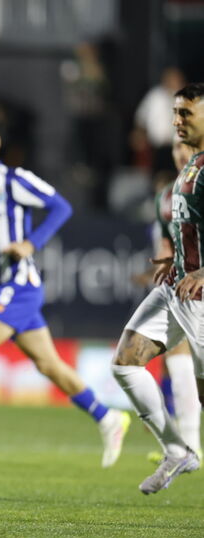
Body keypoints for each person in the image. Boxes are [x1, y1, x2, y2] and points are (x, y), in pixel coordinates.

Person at [0, 113, 130, 466]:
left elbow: (60, 207)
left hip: (19, 284)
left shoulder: (12, 180)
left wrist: (31, 243)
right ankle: (109, 417)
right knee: (49, 365)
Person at [111, 83, 204, 494]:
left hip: (201, 295)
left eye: (186, 113)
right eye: (175, 113)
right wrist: (177, 258)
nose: (176, 121)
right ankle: (176, 450)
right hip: (177, 287)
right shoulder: (189, 167)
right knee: (126, 360)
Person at [136, 136, 200, 464]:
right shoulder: (166, 196)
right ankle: (187, 442)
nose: (180, 153)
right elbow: (168, 245)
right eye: (175, 148)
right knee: (176, 352)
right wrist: (160, 269)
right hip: (188, 288)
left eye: (185, 146)